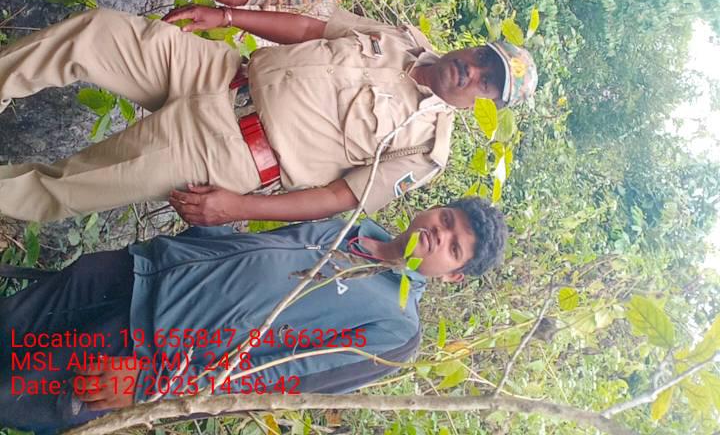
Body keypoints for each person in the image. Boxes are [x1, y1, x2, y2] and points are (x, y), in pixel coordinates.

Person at [0, 198, 507, 433]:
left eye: (454, 247)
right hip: (135, 277)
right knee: (7, 323)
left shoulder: (396, 328)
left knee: (9, 392)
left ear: (453, 276)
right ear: (434, 209)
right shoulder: (352, 225)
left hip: (140, 354)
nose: (440, 234)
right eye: (446, 220)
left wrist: (151, 386)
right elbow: (252, 251)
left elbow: (277, 378)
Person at [0, 3, 537, 224]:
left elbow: (338, 197)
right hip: (218, 72)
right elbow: (310, 29)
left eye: (487, 81)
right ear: (474, 46)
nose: (473, 71)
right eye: (481, 58)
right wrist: (228, 15)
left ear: (486, 103)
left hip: (229, 151)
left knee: (67, 187)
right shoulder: (403, 40)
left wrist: (238, 207)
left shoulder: (424, 148)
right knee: (96, 32)